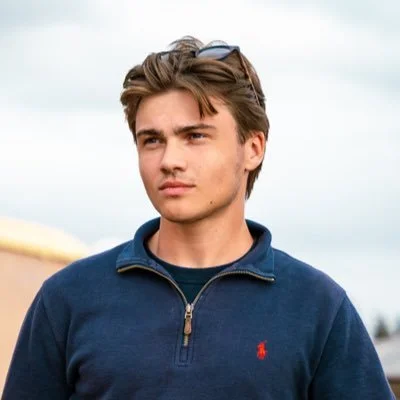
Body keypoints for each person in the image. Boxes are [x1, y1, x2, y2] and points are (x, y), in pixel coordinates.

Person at [2, 37, 394, 400]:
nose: (169, 160)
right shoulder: (68, 300)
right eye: (152, 140)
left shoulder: (318, 309)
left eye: (195, 136)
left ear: (253, 148)